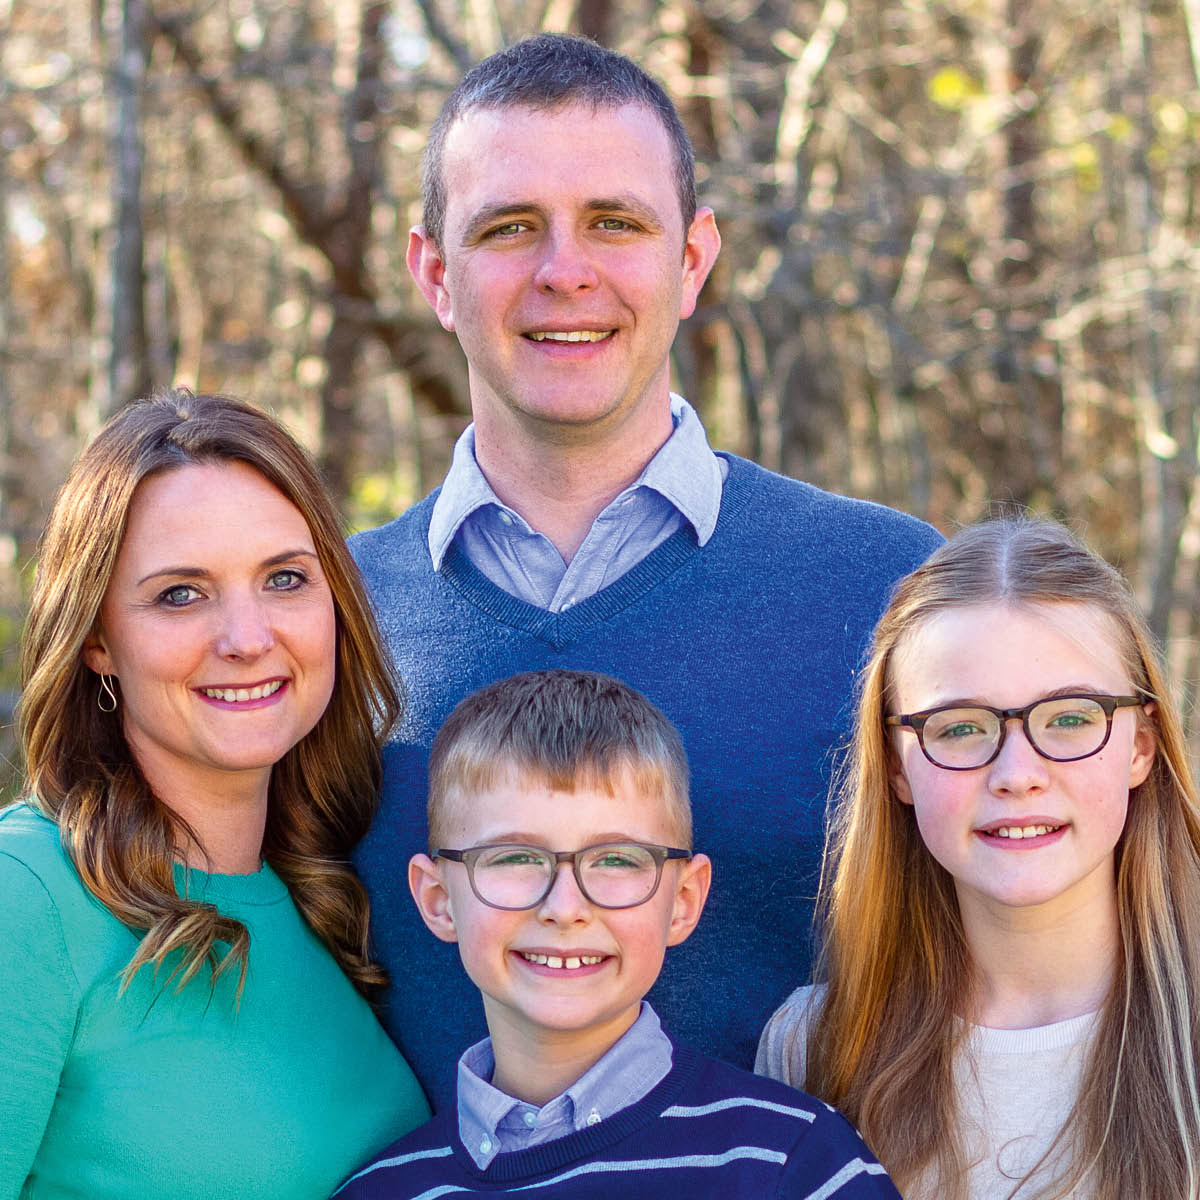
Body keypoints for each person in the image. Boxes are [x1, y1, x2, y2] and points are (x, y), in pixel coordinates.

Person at [351, 31, 943, 1109]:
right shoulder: (326, 623)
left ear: (693, 259)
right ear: (435, 271)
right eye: (509, 227)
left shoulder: (891, 590)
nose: (564, 271)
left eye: (615, 223)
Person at [0, 390, 428, 1200]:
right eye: (180, 595)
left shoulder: (328, 894)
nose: (246, 638)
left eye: (285, 579)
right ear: (97, 641)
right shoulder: (26, 901)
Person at [756, 518, 1200, 1199]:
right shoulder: (811, 1051)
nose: (1017, 774)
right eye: (960, 727)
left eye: (1071, 718)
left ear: (1139, 746)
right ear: (898, 768)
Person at [334, 669, 901, 1198]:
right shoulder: (383, 1189)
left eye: (616, 860)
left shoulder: (794, 1163)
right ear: (438, 901)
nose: (565, 907)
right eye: (514, 857)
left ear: (682, 901)